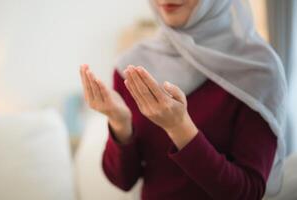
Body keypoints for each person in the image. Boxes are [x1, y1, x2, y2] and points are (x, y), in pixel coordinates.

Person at [79, 0, 287, 199]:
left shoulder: (257, 70)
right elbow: (122, 181)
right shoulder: (132, 64)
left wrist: (180, 128)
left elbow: (248, 192)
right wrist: (120, 123)